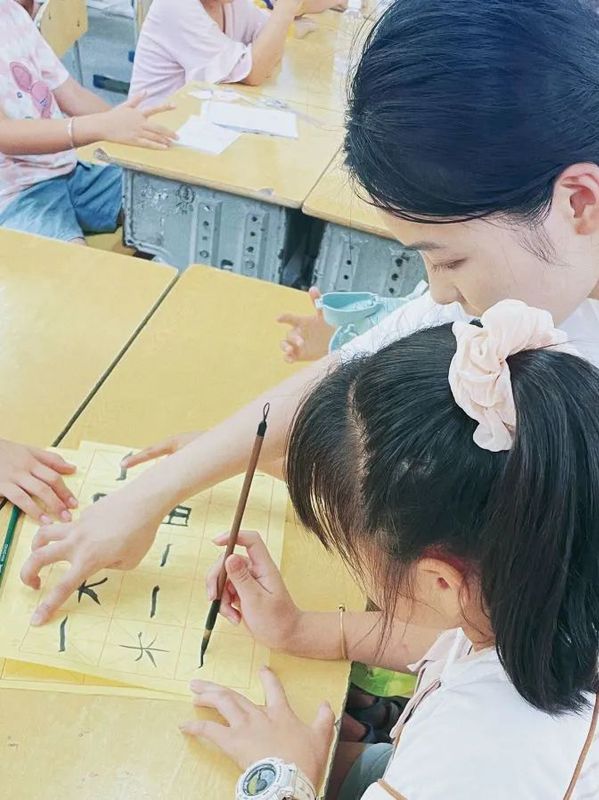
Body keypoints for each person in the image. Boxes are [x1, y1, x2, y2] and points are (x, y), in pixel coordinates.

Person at [20, 0, 599, 624]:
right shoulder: (531, 289)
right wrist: (150, 496)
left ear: (579, 202)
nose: (436, 293)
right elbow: (346, 372)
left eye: (449, 259)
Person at [180, 300, 599, 797]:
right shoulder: (545, 588)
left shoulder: (472, 757)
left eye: (349, 548)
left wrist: (282, 777)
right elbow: (448, 643)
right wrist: (299, 629)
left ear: (440, 581)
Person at [0, 0, 177, 244]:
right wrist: (100, 126)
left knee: (173, 204)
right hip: (13, 195)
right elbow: (5, 134)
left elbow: (72, 95)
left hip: (70, 171)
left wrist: (123, 122)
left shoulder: (11, 14)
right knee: (75, 266)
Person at [130, 0, 304, 106]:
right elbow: (254, 73)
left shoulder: (231, 3)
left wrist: (262, 55)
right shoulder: (175, 5)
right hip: (153, 139)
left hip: (197, 123)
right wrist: (285, 9)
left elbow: (272, 43)